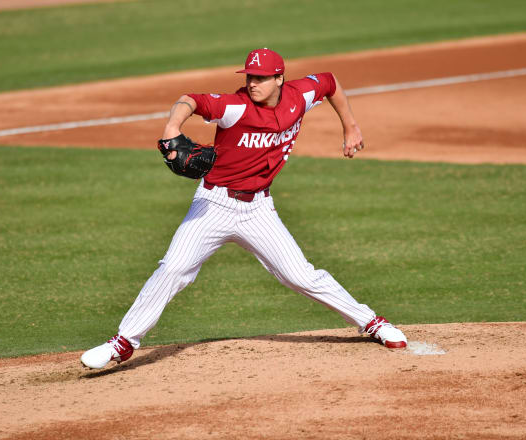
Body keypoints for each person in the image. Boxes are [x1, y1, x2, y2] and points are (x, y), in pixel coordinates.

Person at [81, 48, 407, 369]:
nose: (253, 83)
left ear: (280, 78)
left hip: (259, 210)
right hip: (213, 204)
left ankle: (372, 322)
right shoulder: (235, 106)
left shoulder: (300, 95)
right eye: (250, 76)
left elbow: (330, 81)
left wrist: (350, 126)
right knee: (174, 269)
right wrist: (172, 127)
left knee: (301, 276)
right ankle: (123, 342)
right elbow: (189, 100)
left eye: (261, 78)